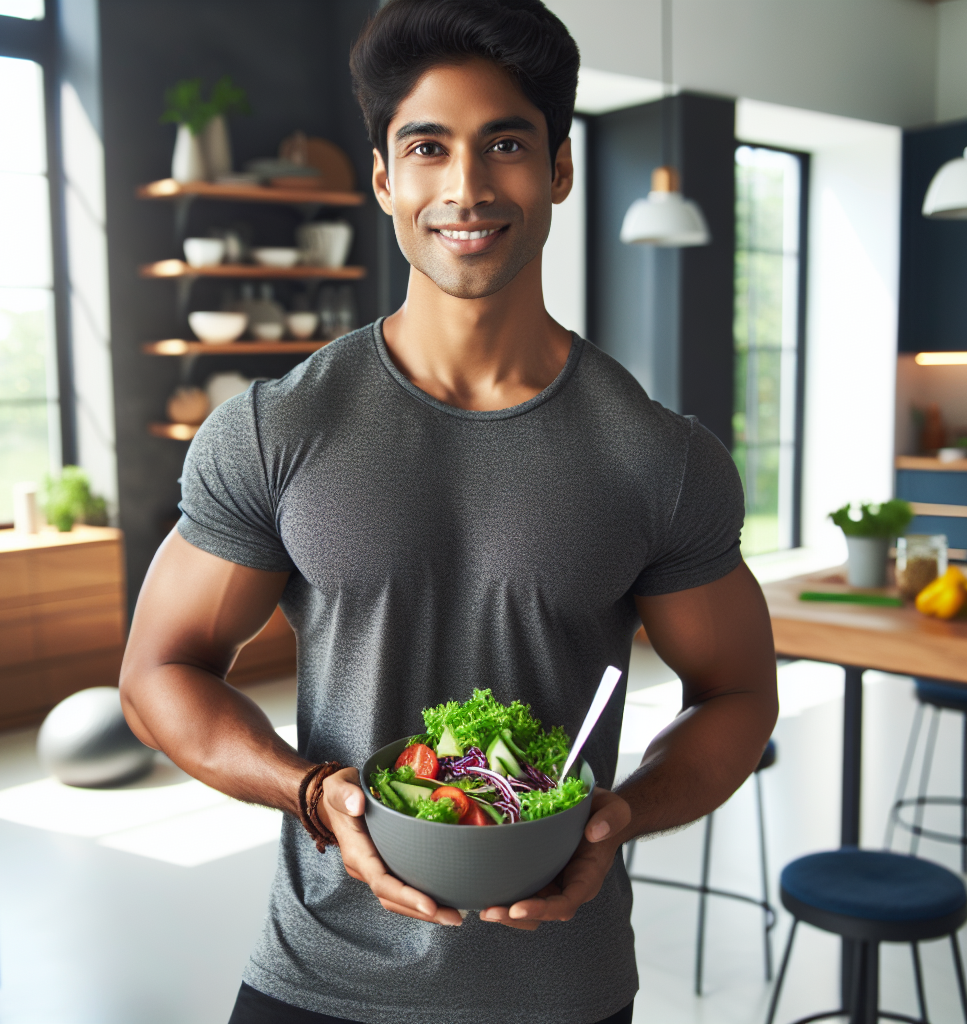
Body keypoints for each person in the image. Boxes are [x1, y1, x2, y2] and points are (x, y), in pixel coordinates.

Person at [119, 1, 778, 1022]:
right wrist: (308, 790)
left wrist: (620, 816)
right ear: (384, 177)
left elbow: (737, 692)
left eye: (505, 144)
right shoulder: (274, 429)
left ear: (558, 168)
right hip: (319, 978)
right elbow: (157, 671)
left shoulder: (659, 454)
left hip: (561, 987)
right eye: (427, 147)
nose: (465, 187)